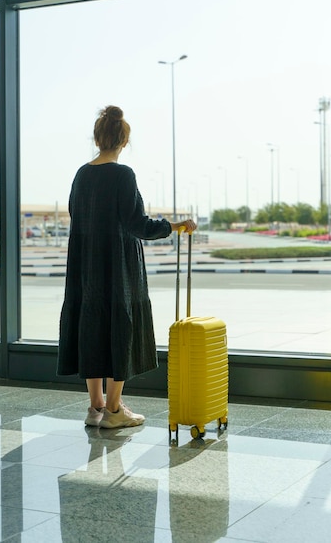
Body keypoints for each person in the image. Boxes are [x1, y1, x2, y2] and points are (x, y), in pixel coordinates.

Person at [57, 105, 197, 429]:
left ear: (97, 138)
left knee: (91, 328)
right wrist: (176, 225)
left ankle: (95, 408)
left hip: (85, 269)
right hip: (118, 268)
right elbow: (139, 225)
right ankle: (115, 410)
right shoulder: (123, 175)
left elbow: (76, 215)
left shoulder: (81, 174)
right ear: (123, 141)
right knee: (121, 328)